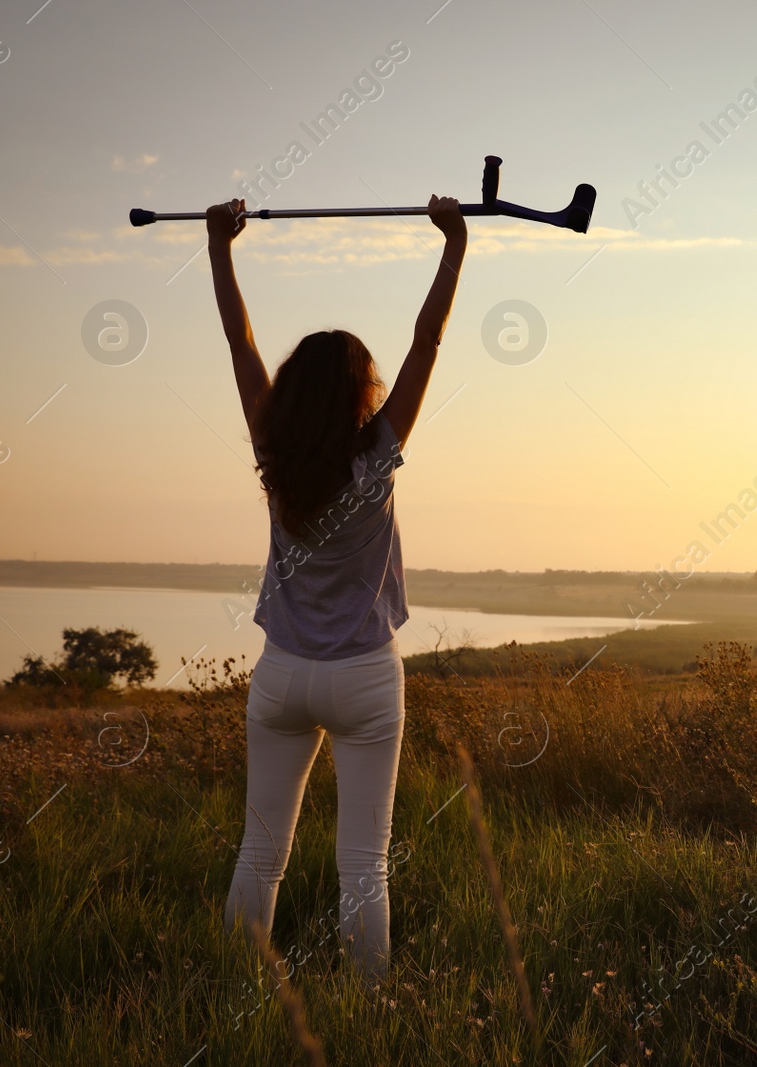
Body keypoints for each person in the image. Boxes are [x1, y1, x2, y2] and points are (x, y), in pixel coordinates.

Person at [207, 193, 467, 980]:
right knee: (364, 865)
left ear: (292, 393)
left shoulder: (272, 448)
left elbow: (239, 338)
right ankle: (367, 1011)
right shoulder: (378, 454)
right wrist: (454, 243)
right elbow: (428, 339)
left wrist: (221, 245)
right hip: (362, 678)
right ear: (363, 393)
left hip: (282, 674)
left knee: (262, 851)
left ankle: (233, 985)